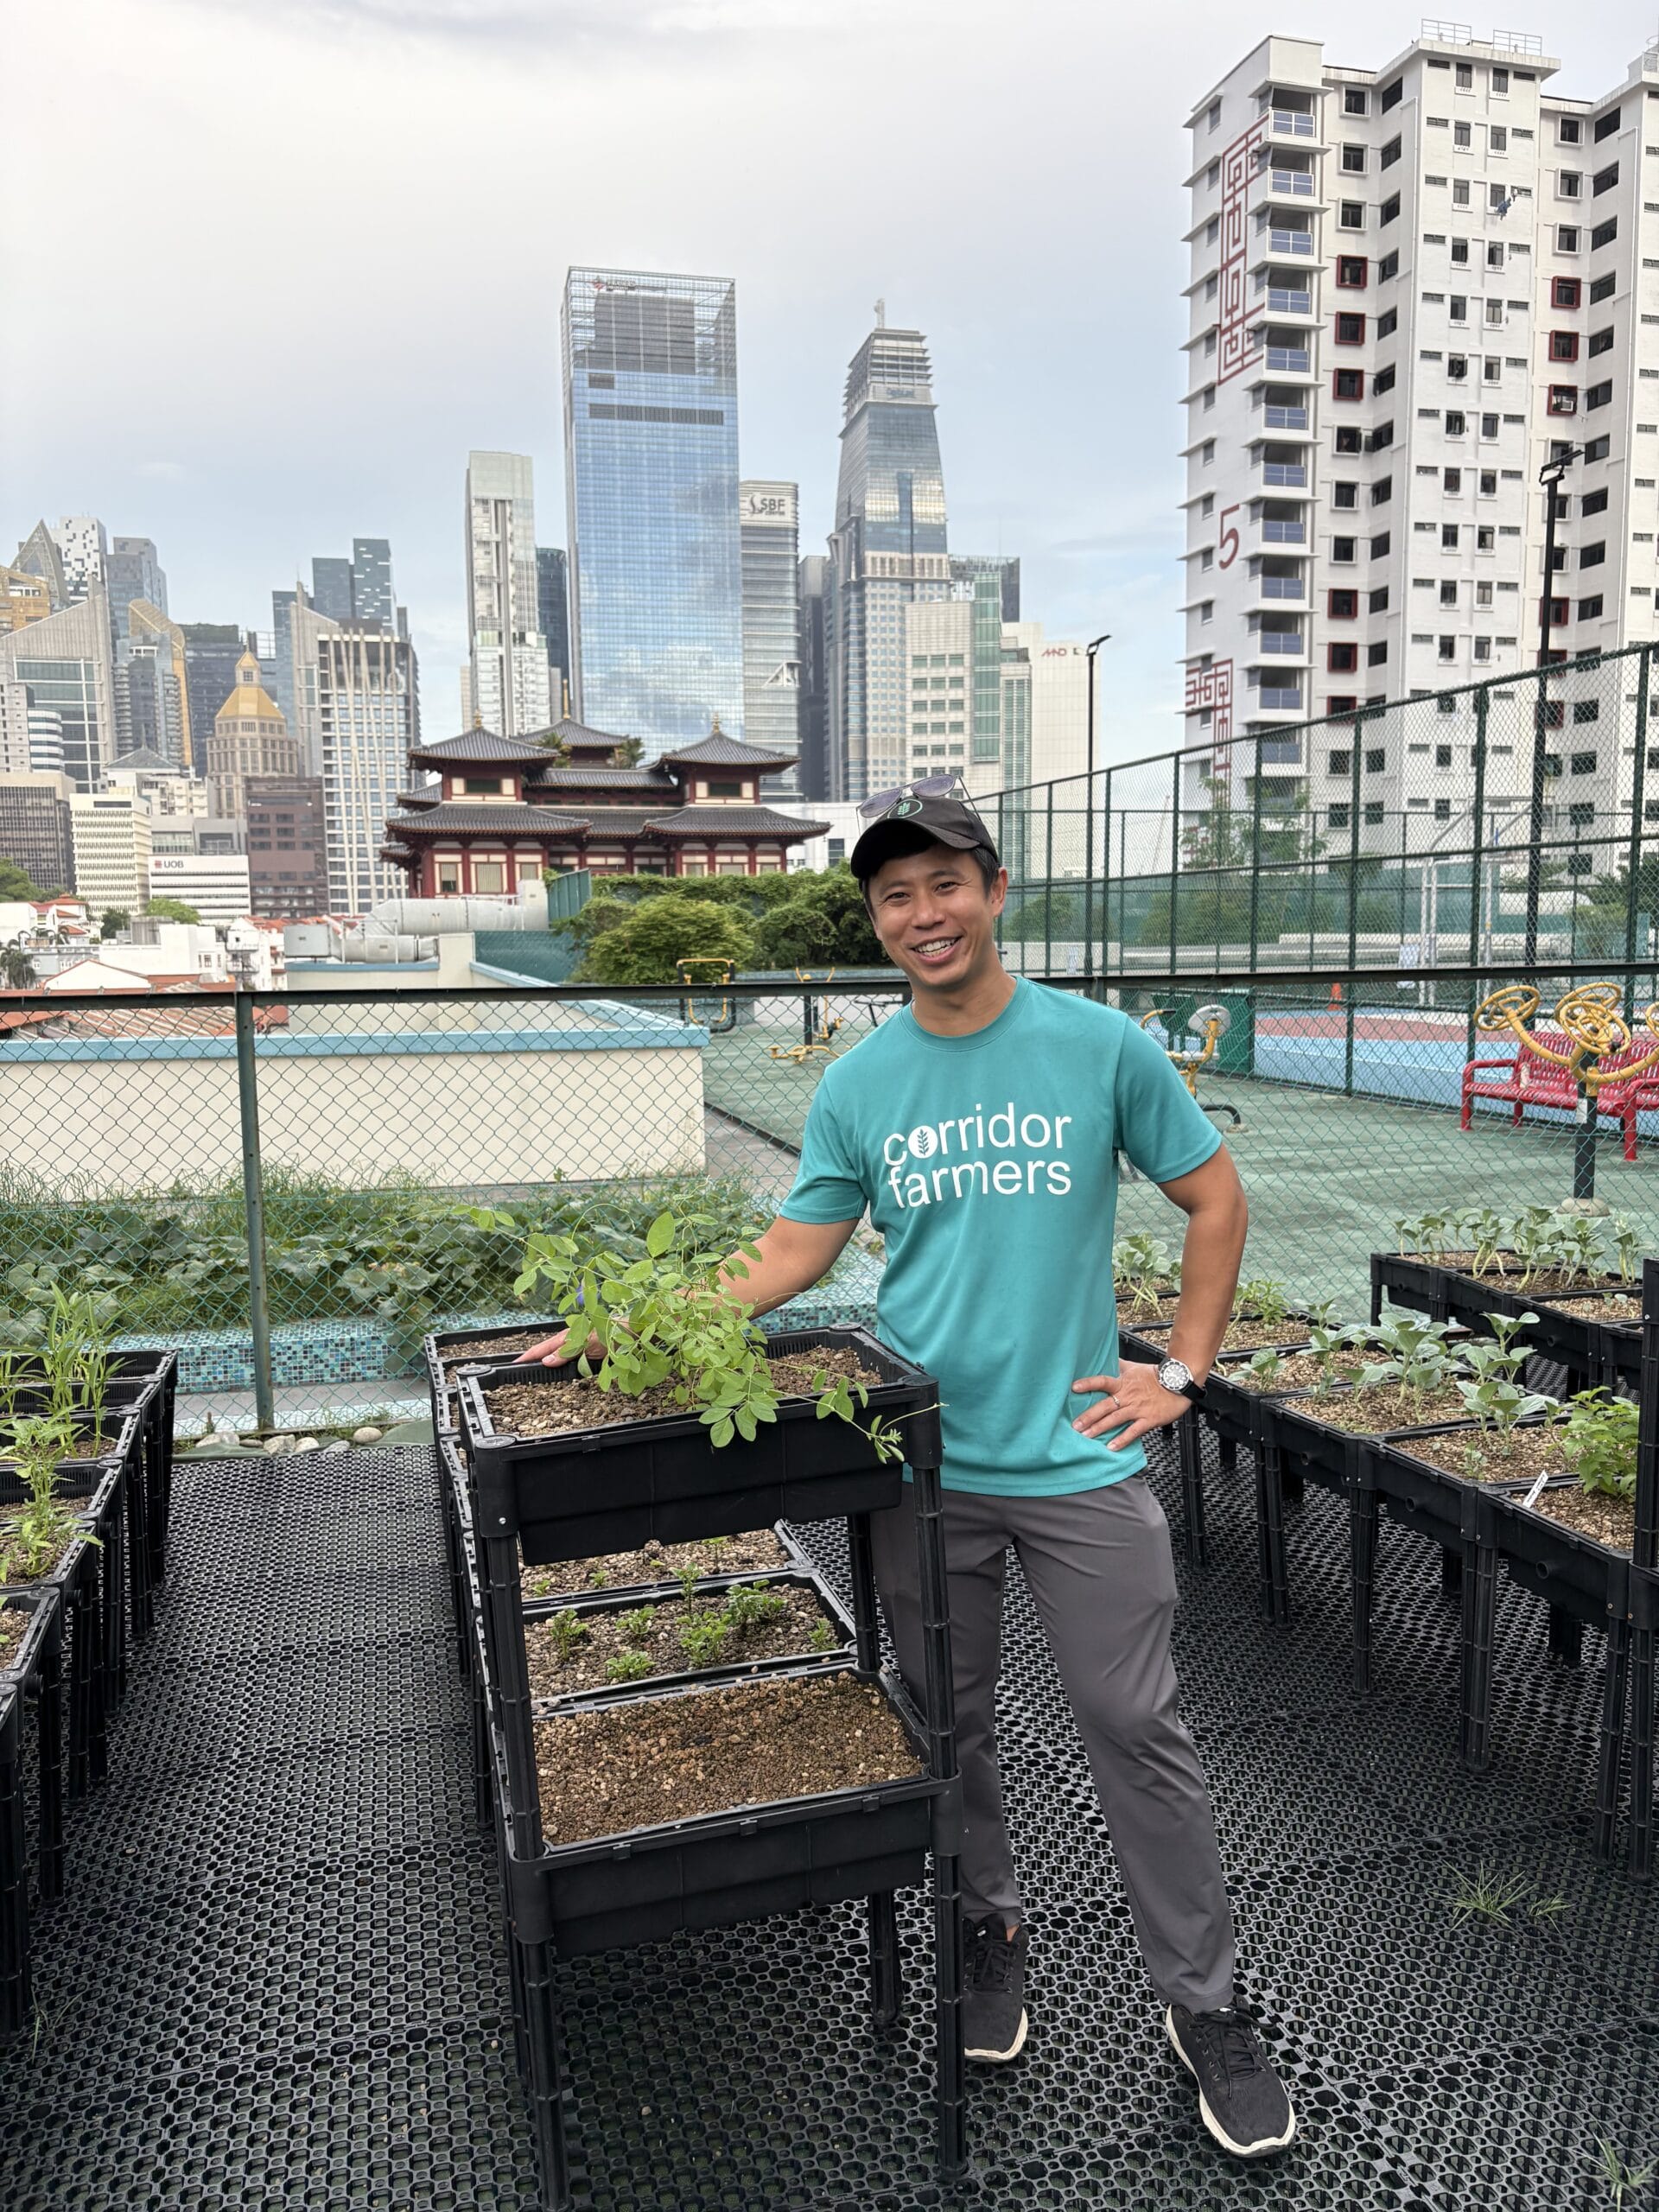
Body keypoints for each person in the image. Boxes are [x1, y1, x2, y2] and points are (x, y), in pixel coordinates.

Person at [518, 779, 1294, 2161]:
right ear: (875, 921)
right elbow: (791, 1254)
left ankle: (1206, 2004)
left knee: (1140, 1731)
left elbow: (1215, 1197)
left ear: (993, 890)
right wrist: (620, 1328)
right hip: (919, 1457)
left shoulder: (1098, 1046)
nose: (922, 913)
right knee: (948, 1725)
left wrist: (1175, 1373)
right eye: (894, 894)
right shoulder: (864, 1080)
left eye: (943, 882)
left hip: (1079, 1460)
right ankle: (992, 1930)